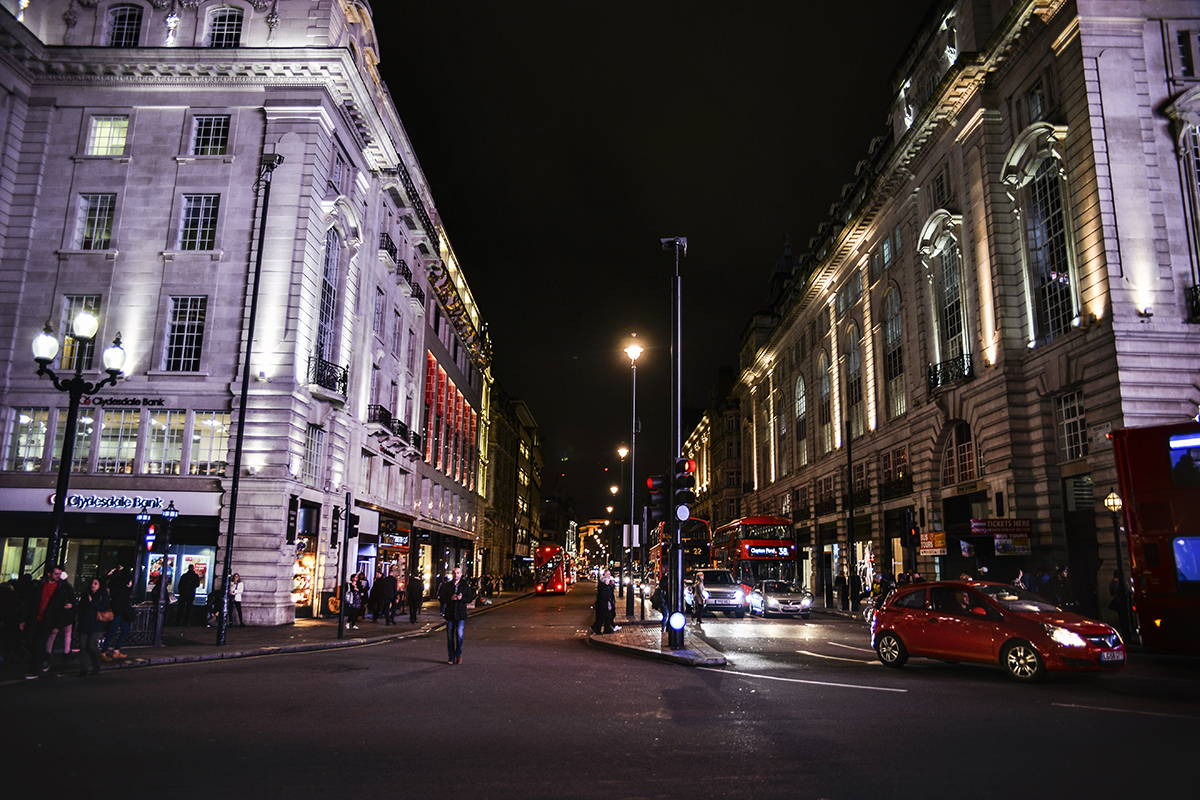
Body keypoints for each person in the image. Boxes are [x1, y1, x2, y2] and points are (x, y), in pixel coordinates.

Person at [22, 565, 74, 679]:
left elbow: (65, 607)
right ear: (49, 574)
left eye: (59, 574)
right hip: (35, 619)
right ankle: (44, 658)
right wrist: (24, 620)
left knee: (39, 644)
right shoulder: (38, 585)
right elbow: (29, 603)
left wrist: (57, 625)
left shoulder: (63, 588)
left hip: (48, 621)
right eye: (56, 574)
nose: (58, 576)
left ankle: (34, 670)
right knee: (30, 643)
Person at [437, 567, 475, 664]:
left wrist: (462, 598)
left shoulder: (465, 586)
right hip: (450, 614)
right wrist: (450, 598)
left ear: (461, 574)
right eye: (454, 573)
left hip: (460, 614)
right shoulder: (447, 586)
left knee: (459, 635)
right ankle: (451, 657)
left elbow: (470, 598)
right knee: (450, 637)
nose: (456, 575)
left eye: (458, 573)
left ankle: (458, 655)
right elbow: (441, 598)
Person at [76, 577, 110, 677]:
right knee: (83, 647)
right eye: (92, 583)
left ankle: (96, 665)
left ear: (99, 586)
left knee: (91, 645)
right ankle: (84, 669)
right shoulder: (85, 595)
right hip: (85, 623)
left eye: (95, 583)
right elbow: (80, 608)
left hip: (96, 623)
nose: (93, 585)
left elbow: (104, 608)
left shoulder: (102, 595)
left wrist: (91, 603)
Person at [102, 566, 133, 661]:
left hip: (120, 611)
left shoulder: (115, 583)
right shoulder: (120, 584)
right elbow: (128, 576)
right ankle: (104, 652)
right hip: (117, 611)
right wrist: (124, 569)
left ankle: (115, 651)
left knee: (125, 629)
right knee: (112, 632)